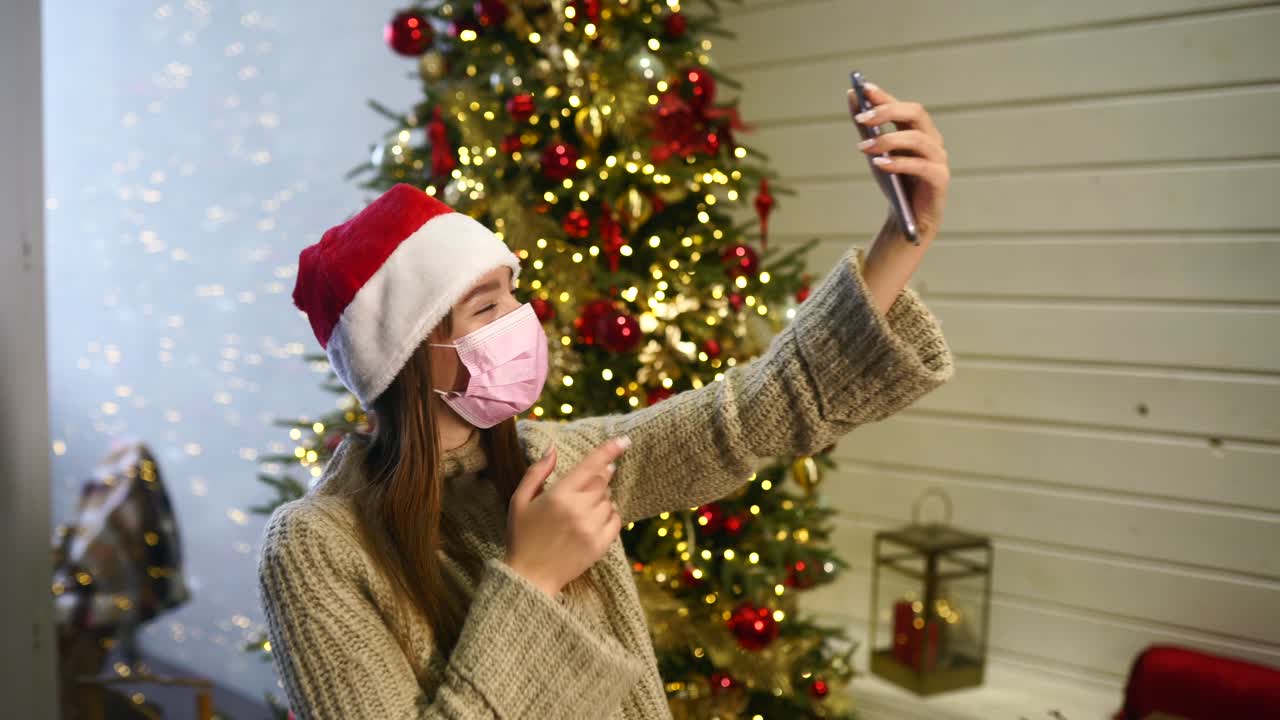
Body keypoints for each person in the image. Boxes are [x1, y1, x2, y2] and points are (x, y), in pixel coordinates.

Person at [258, 82, 955, 720]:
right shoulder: (317, 546)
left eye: (514, 297)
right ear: (407, 357)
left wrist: (903, 236)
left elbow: (748, 416)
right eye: (486, 307)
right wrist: (531, 580)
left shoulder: (557, 462)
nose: (522, 323)